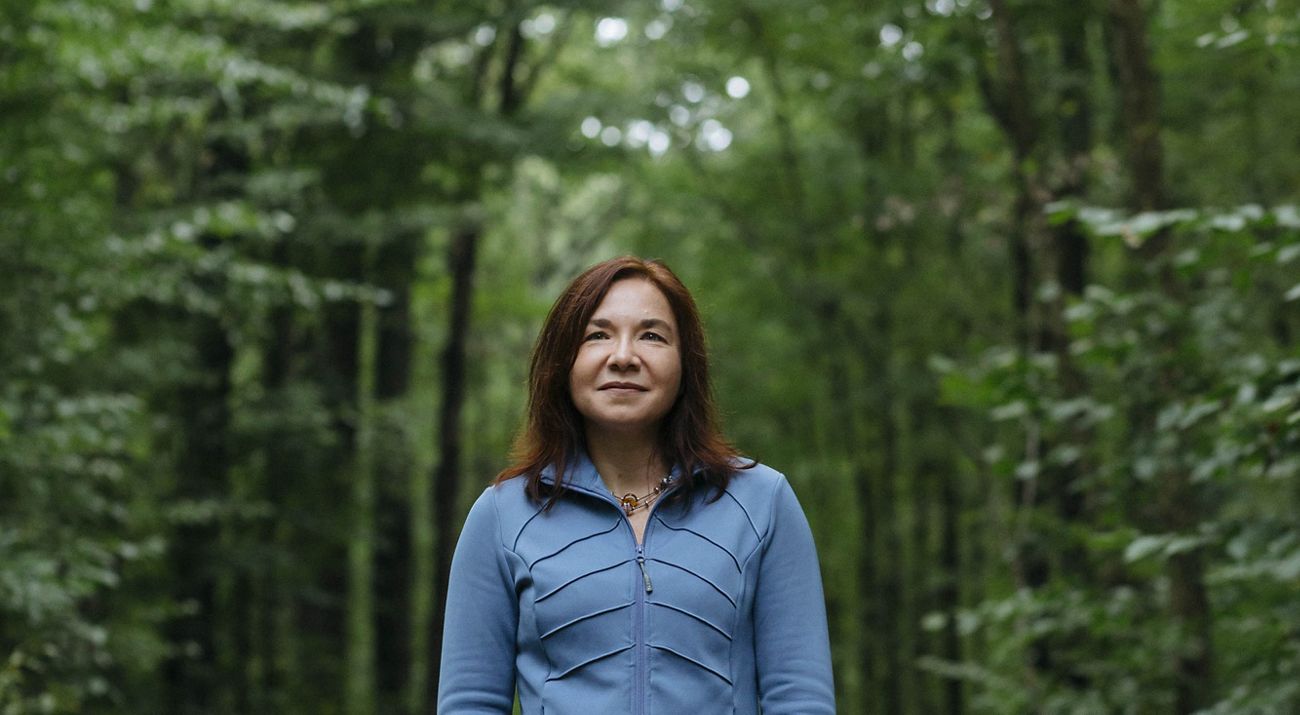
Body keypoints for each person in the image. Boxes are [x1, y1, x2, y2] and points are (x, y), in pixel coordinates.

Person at [437, 256, 835, 714]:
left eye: (652, 336)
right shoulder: (503, 516)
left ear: (687, 362)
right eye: (597, 335)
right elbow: (470, 703)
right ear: (563, 361)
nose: (623, 357)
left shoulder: (763, 502)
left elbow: (800, 701)